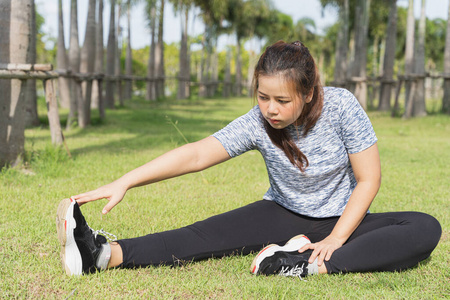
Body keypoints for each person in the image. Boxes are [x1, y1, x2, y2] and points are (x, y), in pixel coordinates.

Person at [56, 41, 441, 277]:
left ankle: (303, 264)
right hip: (283, 212)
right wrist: (125, 180)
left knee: (424, 227)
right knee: (199, 236)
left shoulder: (341, 107)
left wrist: (337, 238)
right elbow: (196, 155)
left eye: (282, 100)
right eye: (262, 96)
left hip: (343, 219)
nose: (270, 109)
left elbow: (369, 179)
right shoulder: (257, 122)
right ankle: (101, 254)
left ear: (308, 93)